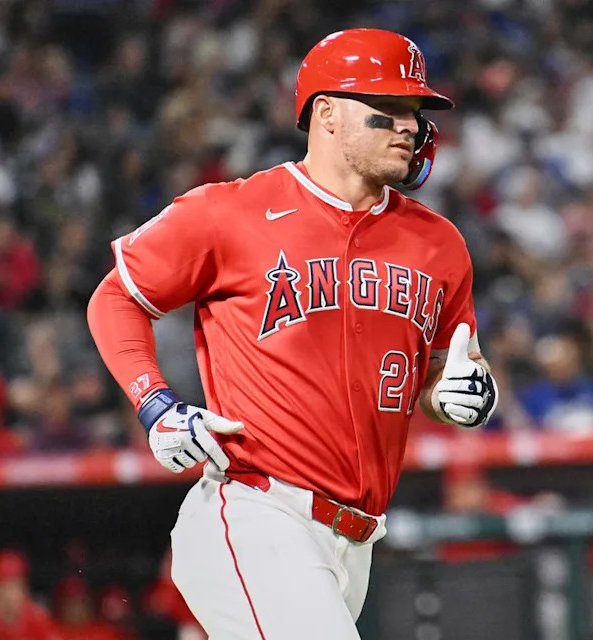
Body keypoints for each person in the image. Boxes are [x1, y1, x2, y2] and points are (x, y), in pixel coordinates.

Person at [87, 28, 497, 640]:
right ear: (326, 114)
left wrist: (458, 393)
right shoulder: (229, 211)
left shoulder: (440, 244)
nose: (409, 126)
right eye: (387, 111)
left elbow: (441, 370)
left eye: (414, 111)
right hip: (256, 507)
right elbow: (116, 296)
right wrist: (155, 402)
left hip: (356, 538)